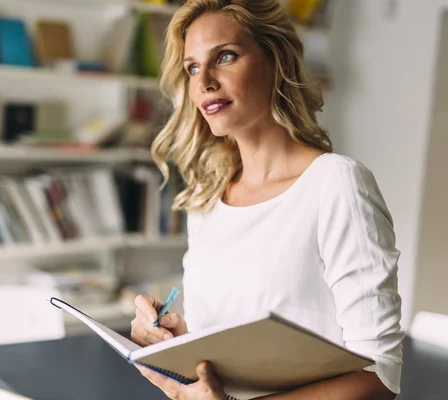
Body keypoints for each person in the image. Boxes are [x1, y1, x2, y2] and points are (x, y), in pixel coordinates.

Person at [130, 0, 403, 399]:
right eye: (191, 67)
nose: (204, 80)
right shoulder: (206, 201)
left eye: (224, 56)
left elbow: (379, 378)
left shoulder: (335, 183)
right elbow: (235, 359)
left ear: (276, 62)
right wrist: (174, 341)